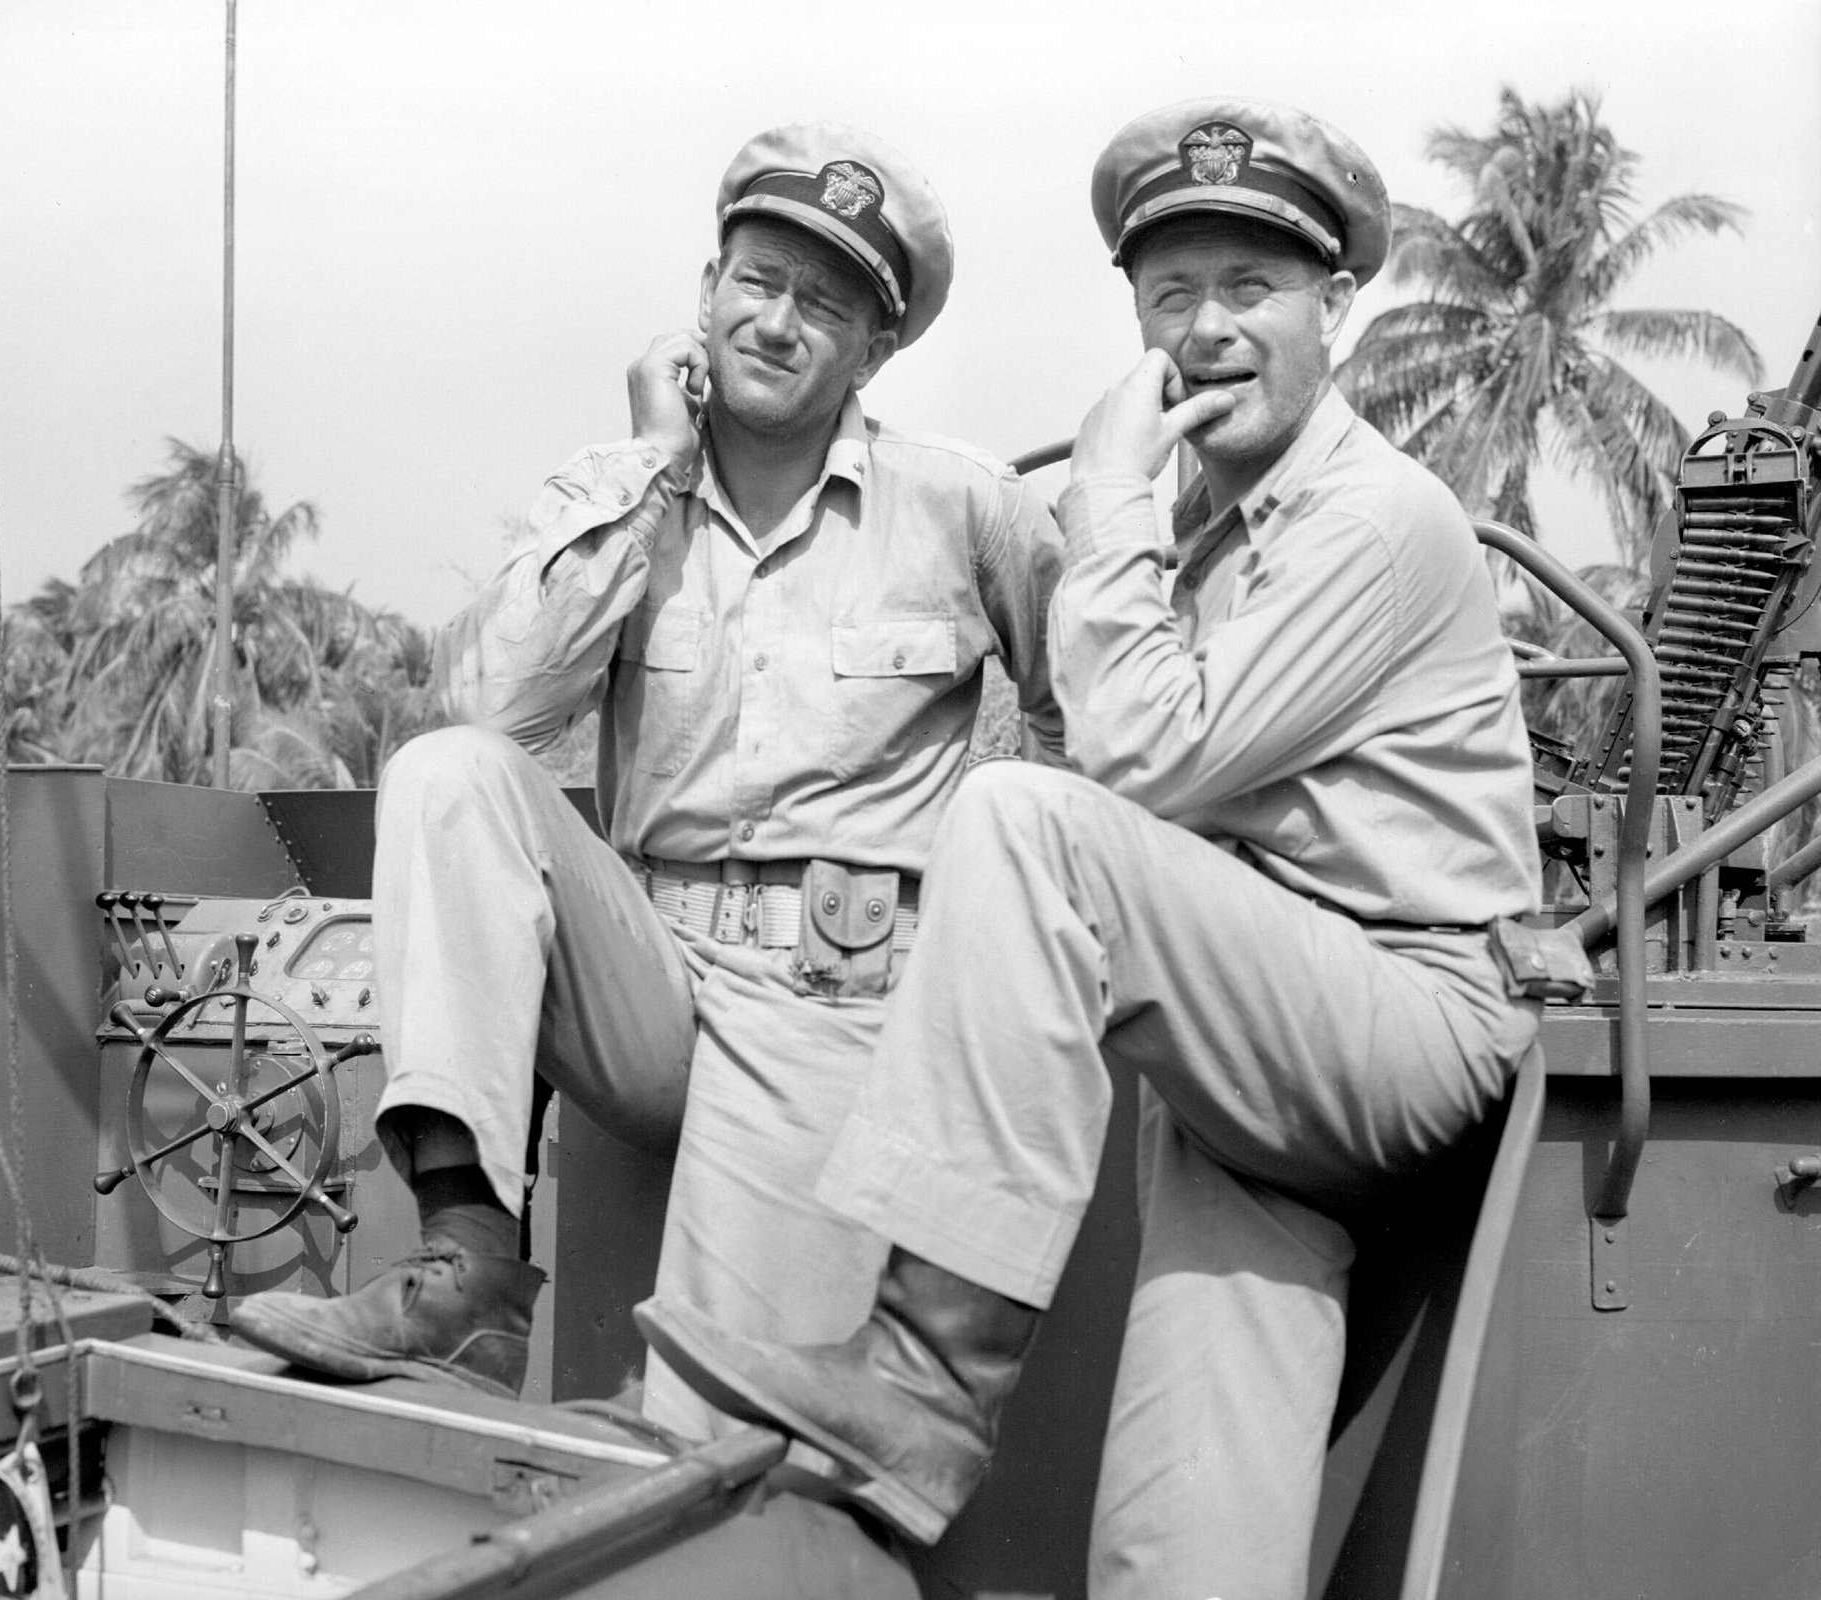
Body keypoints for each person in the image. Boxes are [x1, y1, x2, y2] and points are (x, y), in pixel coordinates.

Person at [639, 98, 1570, 1598]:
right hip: (1249, 1050)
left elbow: (1133, 764)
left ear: (1337, 309)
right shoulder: (1200, 523)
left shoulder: (1378, 520)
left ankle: (926, 1387)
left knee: (1025, 824)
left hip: (1393, 1012)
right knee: (1182, 1528)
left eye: (1251, 290)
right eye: (1172, 294)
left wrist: (1114, 491)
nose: (1206, 331)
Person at [232, 123, 1066, 1442]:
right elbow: (490, 706)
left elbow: (1095, 739)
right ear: (705, 293)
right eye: (757, 282)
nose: (780, 323)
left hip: (834, 1008)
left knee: (711, 1435)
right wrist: (651, 462)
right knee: (453, 774)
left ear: (877, 349)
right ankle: (472, 1271)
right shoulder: (615, 495)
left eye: (826, 303)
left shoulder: (970, 509)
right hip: (650, 981)